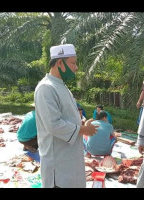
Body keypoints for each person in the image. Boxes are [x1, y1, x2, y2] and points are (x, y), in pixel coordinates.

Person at [34, 44, 98, 188]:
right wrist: (83, 130)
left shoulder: (61, 86)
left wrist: (82, 123)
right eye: (73, 63)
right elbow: (54, 125)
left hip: (69, 159)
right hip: (58, 164)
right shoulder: (46, 88)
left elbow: (68, 116)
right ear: (60, 63)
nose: (76, 68)